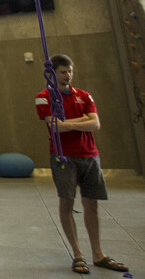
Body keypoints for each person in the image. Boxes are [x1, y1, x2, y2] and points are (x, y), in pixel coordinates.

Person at [36, 54, 129, 275]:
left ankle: (98, 253)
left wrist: (68, 123)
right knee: (67, 203)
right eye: (62, 72)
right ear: (53, 73)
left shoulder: (84, 95)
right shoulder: (43, 97)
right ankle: (78, 254)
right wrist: (80, 122)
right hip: (64, 156)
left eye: (70, 71)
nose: (67, 75)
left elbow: (95, 124)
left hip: (89, 156)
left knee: (92, 205)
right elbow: (54, 127)